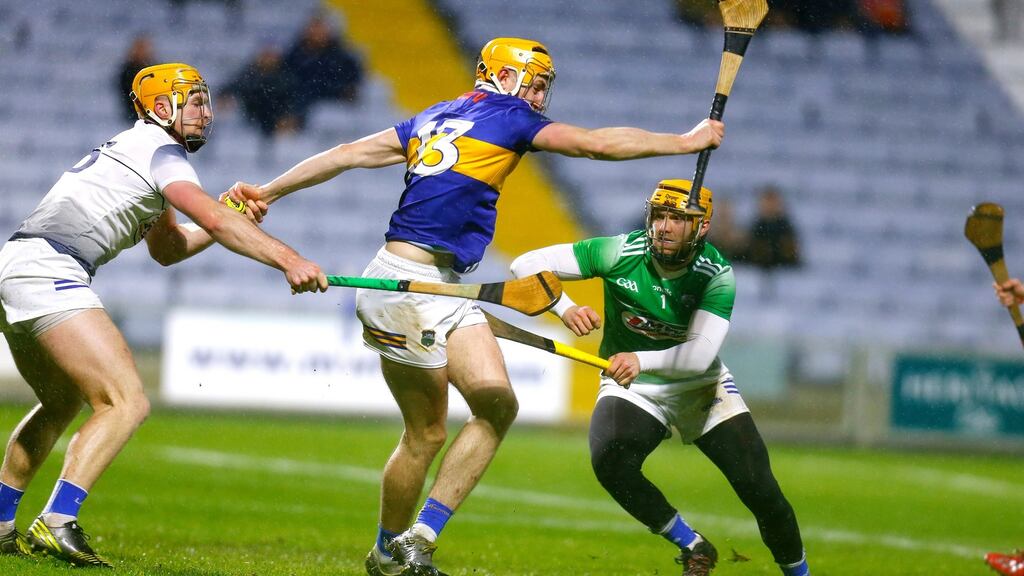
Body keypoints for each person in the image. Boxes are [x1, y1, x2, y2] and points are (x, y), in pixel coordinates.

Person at [227, 37, 724, 576]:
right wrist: (684, 140)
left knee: (497, 404)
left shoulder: (437, 115)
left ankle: (421, 534)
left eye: (543, 87)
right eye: (534, 84)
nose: (539, 97)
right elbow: (594, 144)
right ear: (504, 78)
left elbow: (347, 154)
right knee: (426, 434)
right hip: (404, 288)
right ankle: (386, 555)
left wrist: (270, 190)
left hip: (444, 284)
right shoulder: (508, 118)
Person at [0, 63, 326, 567]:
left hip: (19, 265)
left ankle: (1, 524)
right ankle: (58, 521)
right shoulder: (161, 151)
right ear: (160, 108)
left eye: (206, 100)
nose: (206, 112)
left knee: (61, 399)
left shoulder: (135, 150)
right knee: (125, 401)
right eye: (193, 101)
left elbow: (169, 248)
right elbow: (211, 217)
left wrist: (231, 218)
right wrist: (290, 259)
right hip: (49, 268)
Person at [509, 179, 810, 576]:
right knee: (610, 461)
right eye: (660, 216)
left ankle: (799, 573)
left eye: (678, 219)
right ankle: (693, 545)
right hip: (636, 389)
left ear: (701, 227)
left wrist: (640, 358)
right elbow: (524, 265)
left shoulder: (715, 275)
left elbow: (698, 357)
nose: (664, 227)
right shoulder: (618, 251)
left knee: (763, 494)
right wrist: (563, 308)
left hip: (699, 387)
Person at [283, 14, 363, 125]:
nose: (317, 33)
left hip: (333, 98)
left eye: (320, 28)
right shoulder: (295, 54)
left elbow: (353, 79)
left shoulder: (341, 55)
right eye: (314, 28)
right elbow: (288, 79)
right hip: (303, 101)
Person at [224, 45, 302, 138]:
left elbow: (297, 99)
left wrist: (290, 115)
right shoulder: (248, 74)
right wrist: (225, 96)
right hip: (251, 120)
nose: (268, 59)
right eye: (265, 55)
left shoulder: (287, 77)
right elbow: (232, 87)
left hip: (279, 121)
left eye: (271, 55)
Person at [745, 185, 800, 271]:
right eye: (767, 201)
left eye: (773, 201)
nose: (770, 206)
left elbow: (792, 256)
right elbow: (753, 255)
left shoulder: (787, 228)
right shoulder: (756, 227)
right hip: (758, 271)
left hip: (785, 271)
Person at [114, 34, 156, 123]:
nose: (143, 52)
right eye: (140, 48)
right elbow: (126, 94)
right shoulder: (127, 71)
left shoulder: (154, 69)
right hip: (131, 115)